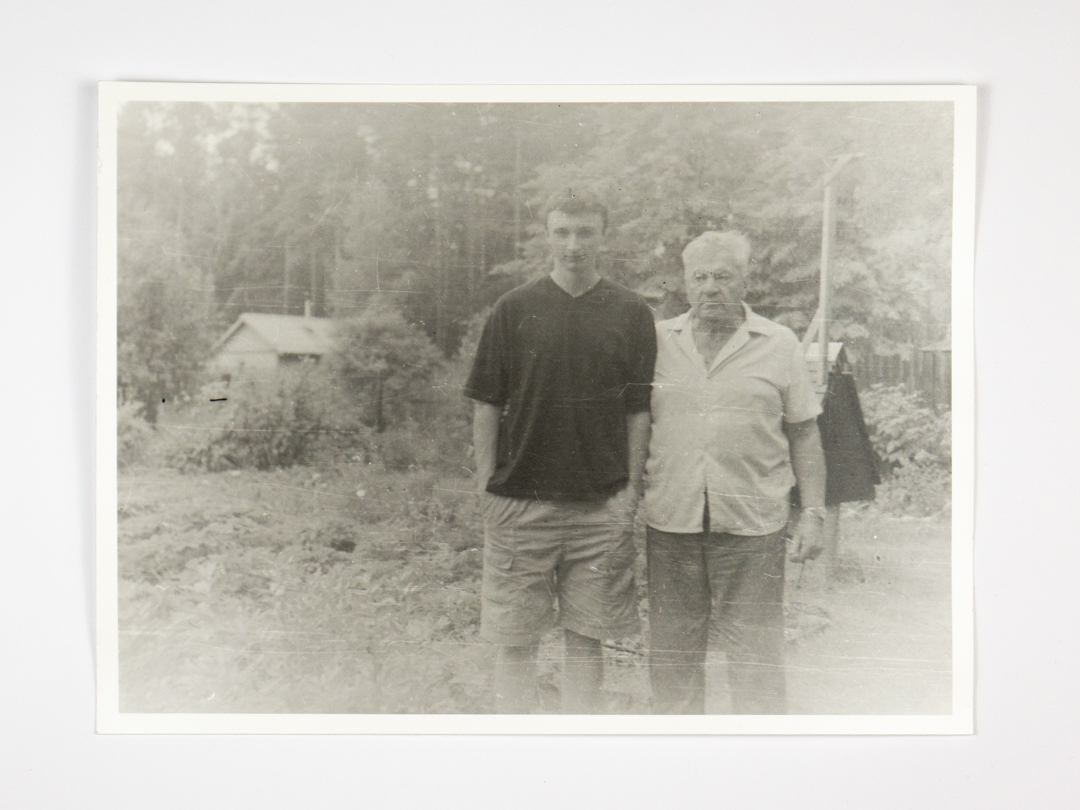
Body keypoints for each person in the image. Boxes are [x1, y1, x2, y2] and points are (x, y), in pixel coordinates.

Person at [464, 189, 657, 714]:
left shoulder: (631, 311)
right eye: (562, 232)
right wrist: (486, 487)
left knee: (586, 641)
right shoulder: (514, 307)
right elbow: (486, 402)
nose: (574, 245)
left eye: (586, 232)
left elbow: (638, 411)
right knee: (515, 643)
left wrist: (629, 493)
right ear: (547, 236)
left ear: (604, 236)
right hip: (519, 504)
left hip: (600, 508)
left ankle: (577, 748)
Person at [643, 231, 827, 714]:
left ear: (745, 281)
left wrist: (813, 513)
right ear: (685, 284)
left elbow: (804, 432)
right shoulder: (658, 342)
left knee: (756, 660)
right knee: (673, 659)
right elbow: (636, 425)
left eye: (723, 277)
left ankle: (759, 752)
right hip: (672, 522)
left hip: (753, 527)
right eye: (700, 277)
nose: (711, 288)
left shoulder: (779, 343)